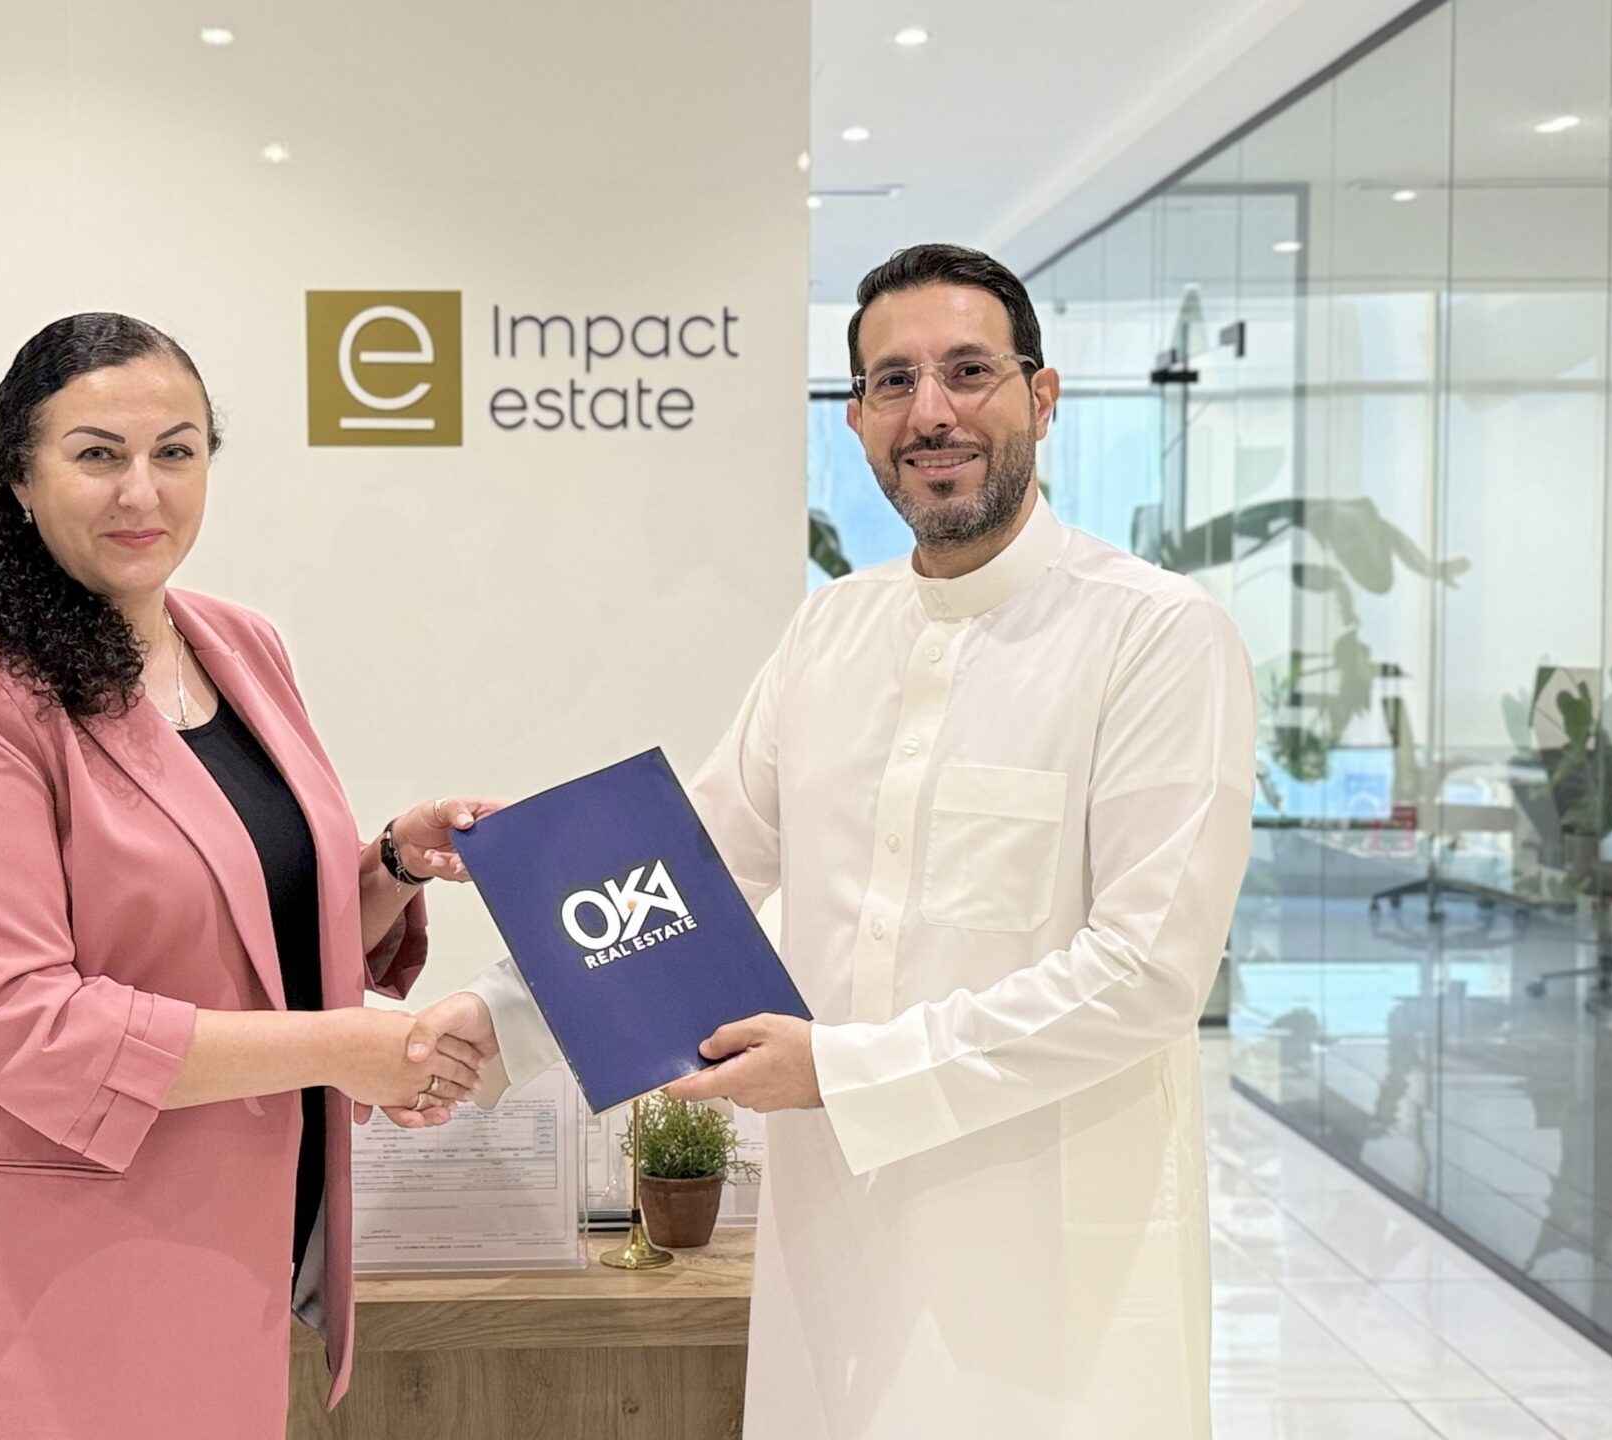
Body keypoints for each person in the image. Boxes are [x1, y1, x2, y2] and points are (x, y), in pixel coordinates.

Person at [418, 244, 1257, 1437]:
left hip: (1049, 1268)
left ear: (1042, 395)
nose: (932, 411)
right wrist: (492, 1017)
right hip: (839, 1244)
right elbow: (690, 870)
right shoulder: (831, 633)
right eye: (892, 382)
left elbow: (1148, 975)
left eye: (968, 370)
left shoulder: (1156, 635)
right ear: (857, 419)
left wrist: (843, 1073)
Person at [0, 312, 496, 1440]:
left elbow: (239, 938)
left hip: (222, 1254)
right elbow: (15, 1019)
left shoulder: (237, 644)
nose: (141, 491)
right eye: (97, 454)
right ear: (21, 476)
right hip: (35, 1279)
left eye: (176, 452)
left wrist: (388, 863)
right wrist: (347, 1048)